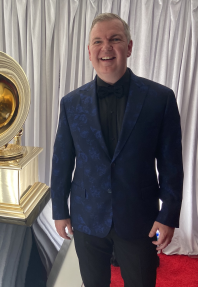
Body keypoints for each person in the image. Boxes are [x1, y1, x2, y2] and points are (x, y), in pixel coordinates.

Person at [50, 13, 183, 287]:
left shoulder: (161, 99)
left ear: (129, 47)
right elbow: (61, 161)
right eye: (97, 41)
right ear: (89, 52)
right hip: (87, 219)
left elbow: (171, 164)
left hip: (140, 220)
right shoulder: (71, 103)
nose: (106, 47)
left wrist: (168, 215)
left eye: (115, 39)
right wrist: (59, 209)